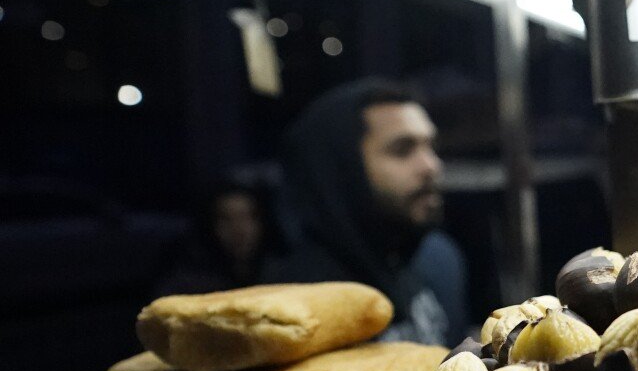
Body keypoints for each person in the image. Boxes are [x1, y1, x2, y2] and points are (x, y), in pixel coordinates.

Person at [263, 79, 469, 345]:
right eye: (403, 150)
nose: (431, 165)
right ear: (342, 169)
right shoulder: (295, 298)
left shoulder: (439, 259)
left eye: (431, 147)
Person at [156, 179, 276, 296]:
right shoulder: (186, 287)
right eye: (226, 219)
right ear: (210, 226)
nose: (239, 229)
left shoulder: (281, 275)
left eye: (247, 217)